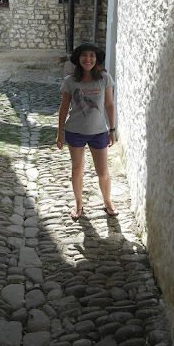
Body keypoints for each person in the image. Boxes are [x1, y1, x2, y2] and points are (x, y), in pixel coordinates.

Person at [56, 42, 118, 220]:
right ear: (78, 59)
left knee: (103, 172)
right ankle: (78, 203)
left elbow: (109, 104)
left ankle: (107, 201)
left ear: (96, 59)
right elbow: (64, 107)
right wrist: (59, 133)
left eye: (92, 55)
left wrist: (112, 130)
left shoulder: (104, 78)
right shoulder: (70, 81)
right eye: (84, 55)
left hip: (98, 132)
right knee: (77, 169)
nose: (88, 59)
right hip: (74, 131)